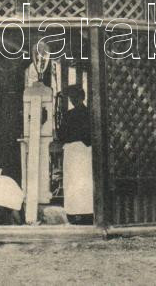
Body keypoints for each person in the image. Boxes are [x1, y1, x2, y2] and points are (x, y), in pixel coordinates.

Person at [58, 86, 93, 224]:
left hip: (77, 152)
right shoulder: (88, 114)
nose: (73, 100)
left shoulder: (70, 115)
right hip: (82, 152)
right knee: (81, 182)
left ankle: (76, 213)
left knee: (77, 182)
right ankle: (85, 212)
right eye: (71, 98)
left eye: (75, 97)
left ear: (82, 97)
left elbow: (62, 135)